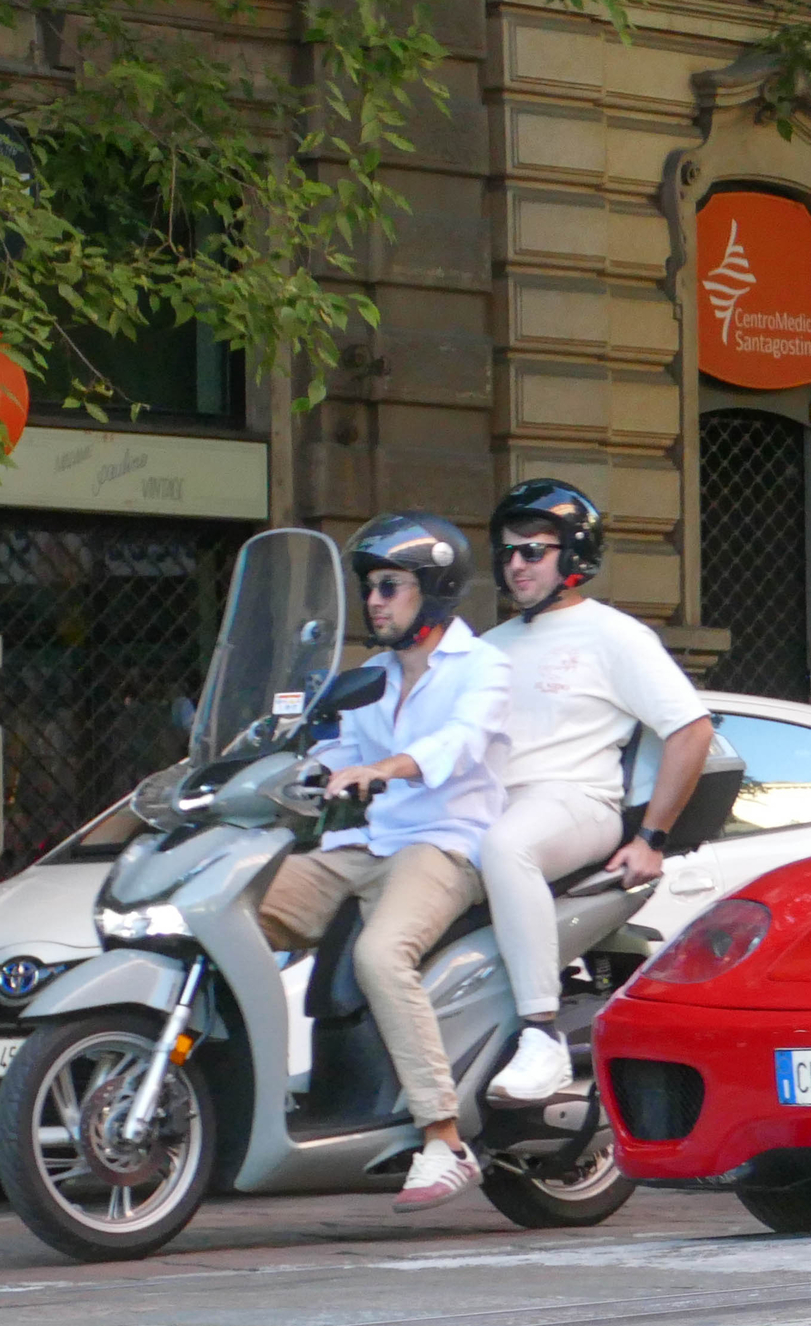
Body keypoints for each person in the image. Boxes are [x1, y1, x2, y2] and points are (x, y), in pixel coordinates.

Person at [255, 514, 512, 1213]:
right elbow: (335, 754)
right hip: (366, 843)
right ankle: (251, 1090)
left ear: (431, 589)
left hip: (446, 841)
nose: (374, 600)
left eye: (389, 586)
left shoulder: (483, 667)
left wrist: (383, 767)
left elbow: (459, 745)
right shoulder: (368, 677)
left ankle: (442, 1135)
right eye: (370, 587)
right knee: (242, 914)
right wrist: (282, 769)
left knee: (380, 953)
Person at [479, 479, 718, 1106]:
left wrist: (651, 839)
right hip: (494, 806)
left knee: (509, 848)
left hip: (575, 802)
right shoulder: (485, 648)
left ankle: (539, 1034)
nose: (516, 564)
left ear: (574, 556)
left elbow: (690, 729)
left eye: (533, 550)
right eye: (507, 552)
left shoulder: (613, 635)